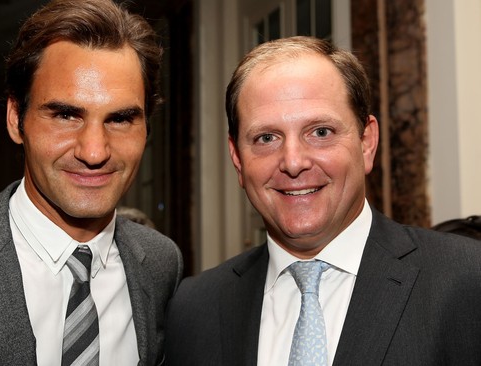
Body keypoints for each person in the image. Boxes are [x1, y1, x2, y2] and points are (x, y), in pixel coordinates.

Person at [165, 36, 481, 365]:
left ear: (367, 142)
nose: (293, 161)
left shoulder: (467, 281)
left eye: (320, 132)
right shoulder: (194, 309)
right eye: (266, 138)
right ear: (238, 159)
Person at [0, 0, 183, 365]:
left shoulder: (161, 264)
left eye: (121, 119)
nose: (94, 151)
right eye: (66, 115)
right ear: (16, 119)